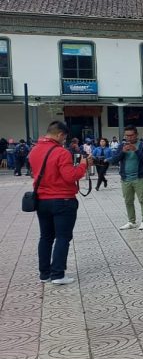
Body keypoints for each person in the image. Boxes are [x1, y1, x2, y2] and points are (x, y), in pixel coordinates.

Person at [30, 122, 90, 285]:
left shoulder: (34, 151)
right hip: (63, 200)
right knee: (63, 237)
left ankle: (44, 274)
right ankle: (58, 274)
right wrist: (84, 165)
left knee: (46, 237)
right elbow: (70, 176)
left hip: (42, 200)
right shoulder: (61, 152)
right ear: (60, 135)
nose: (64, 141)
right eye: (64, 137)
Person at [110, 126, 143, 230]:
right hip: (125, 178)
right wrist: (122, 152)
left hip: (139, 177)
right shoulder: (121, 146)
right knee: (128, 201)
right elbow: (114, 160)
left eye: (131, 135)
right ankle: (131, 221)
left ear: (136, 135)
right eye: (127, 135)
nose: (129, 138)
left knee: (142, 199)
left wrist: (136, 150)